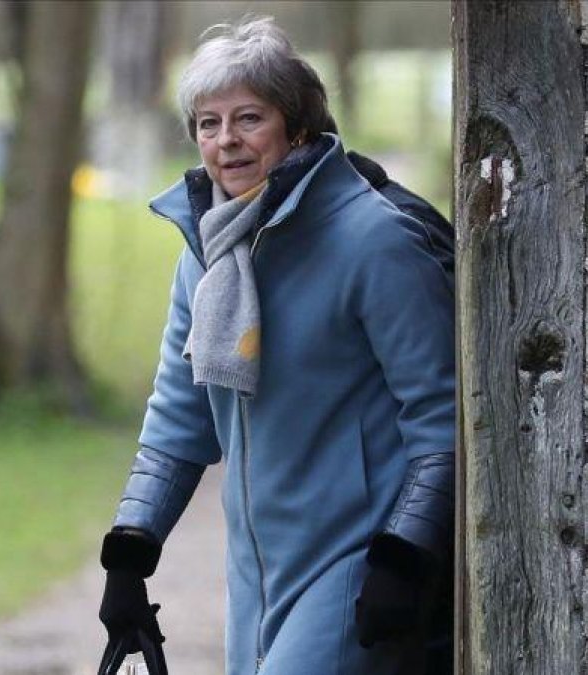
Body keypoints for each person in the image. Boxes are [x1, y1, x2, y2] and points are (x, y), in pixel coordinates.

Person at [95, 16, 455, 675]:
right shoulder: (207, 253)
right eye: (208, 123)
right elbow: (181, 415)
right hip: (258, 571)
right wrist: (129, 556)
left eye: (248, 118)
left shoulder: (374, 241)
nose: (226, 141)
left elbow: (445, 418)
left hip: (358, 560)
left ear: (298, 128)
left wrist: (404, 558)